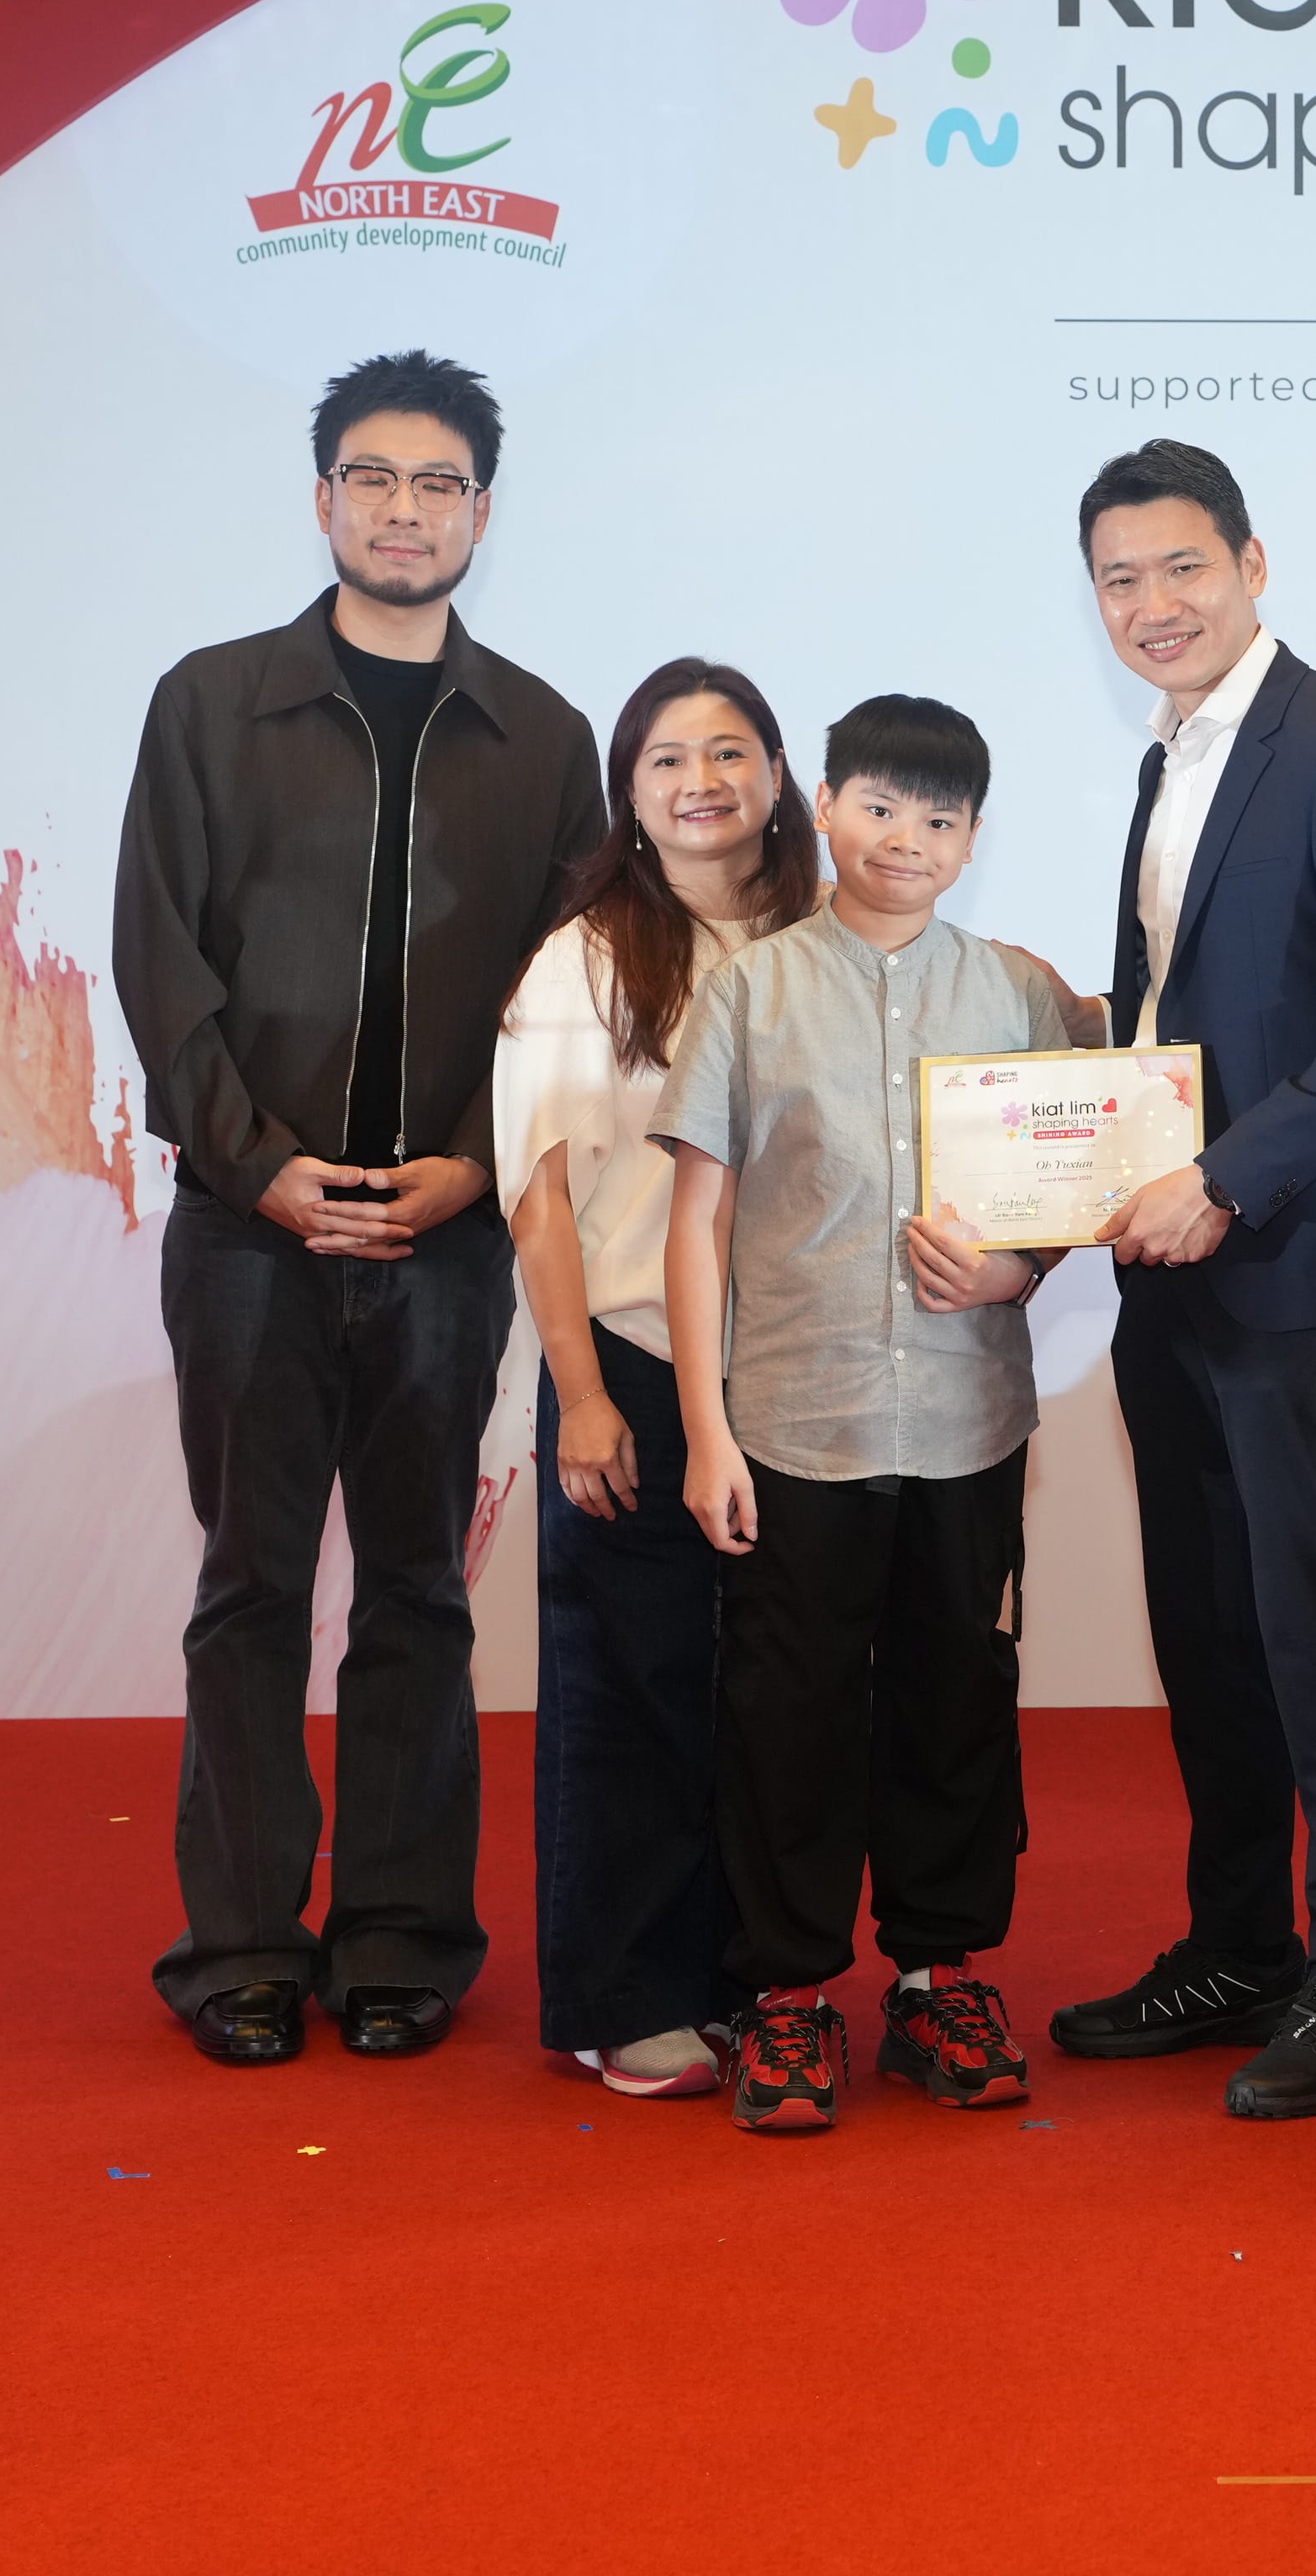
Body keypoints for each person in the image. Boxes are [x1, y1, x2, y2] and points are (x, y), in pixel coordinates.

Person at [113, 349, 606, 2067]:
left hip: (452, 1239)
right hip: (249, 1228)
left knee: (416, 1587)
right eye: (376, 480)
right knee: (250, 1582)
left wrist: (477, 1159)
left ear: (484, 509)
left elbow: (576, 993)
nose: (408, 511)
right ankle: (239, 1942)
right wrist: (259, 1165)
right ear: (325, 498)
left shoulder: (545, 737)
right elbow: (159, 963)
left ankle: (401, 1935)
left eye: (441, 484)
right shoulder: (210, 703)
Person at [1047, 441, 1316, 2120]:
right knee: (1208, 1625)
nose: (1153, 606)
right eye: (1120, 582)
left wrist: (1222, 1178)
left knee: (1311, 1624)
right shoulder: (1175, 755)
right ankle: (1241, 1945)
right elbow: (1185, 1012)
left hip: (1296, 1261)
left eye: (1181, 570)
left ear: (1254, 563)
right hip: (1175, 1275)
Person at [657, 695, 1078, 2134]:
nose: (909, 839)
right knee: (790, 1705)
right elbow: (698, 1219)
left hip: (971, 1418)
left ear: (972, 842)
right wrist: (707, 1431)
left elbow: (1070, 1190)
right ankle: (783, 1997)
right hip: (795, 1418)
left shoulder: (1015, 994)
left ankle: (940, 1976)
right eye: (882, 807)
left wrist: (1021, 1267)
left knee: (958, 1695)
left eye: (942, 818)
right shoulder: (752, 990)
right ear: (822, 806)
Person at [492, 659, 822, 2097]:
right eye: (667, 758)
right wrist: (581, 1392)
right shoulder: (585, 958)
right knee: (632, 1693)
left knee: (772, 1702)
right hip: (633, 1358)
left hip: (804, 1381)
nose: (703, 780)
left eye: (731, 751)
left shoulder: (830, 937)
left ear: (776, 776)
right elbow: (540, 1193)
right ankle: (627, 1996)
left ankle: (752, 1977)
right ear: (630, 796)